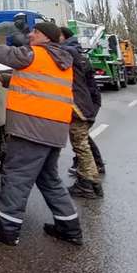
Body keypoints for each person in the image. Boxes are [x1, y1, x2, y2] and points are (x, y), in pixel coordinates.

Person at [0, 20, 82, 247]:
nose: (31, 35)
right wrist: (3, 79)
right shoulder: (61, 60)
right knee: (49, 179)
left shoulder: (33, 54)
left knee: (17, 178)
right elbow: (37, 84)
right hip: (55, 129)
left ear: (47, 38)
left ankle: (7, 229)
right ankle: (70, 227)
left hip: (32, 129)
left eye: (36, 32)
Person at [60, 26, 105, 197]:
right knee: (82, 142)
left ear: (63, 37)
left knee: (81, 144)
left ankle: (88, 184)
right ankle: (91, 182)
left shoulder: (68, 52)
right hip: (88, 102)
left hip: (80, 106)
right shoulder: (78, 52)